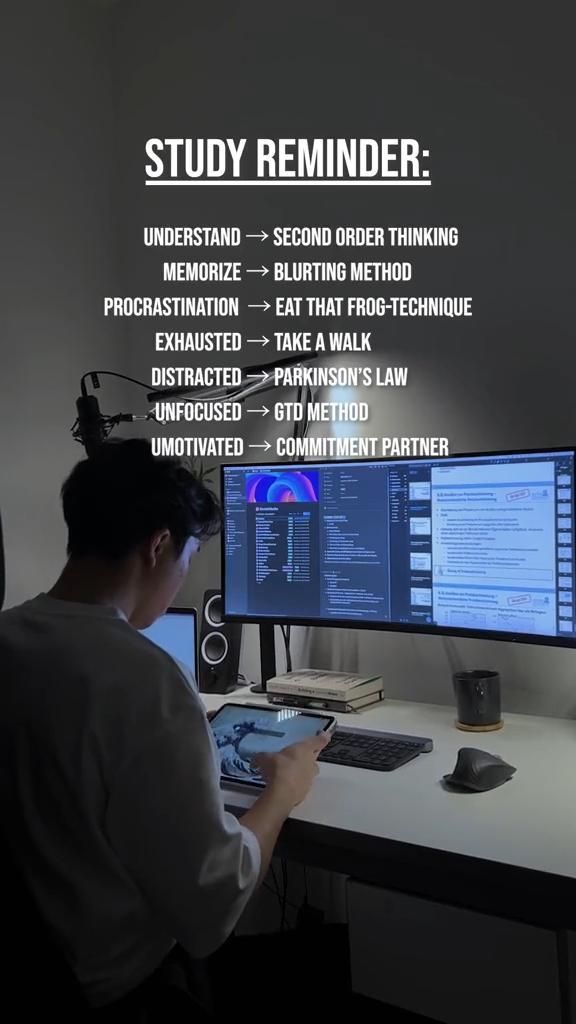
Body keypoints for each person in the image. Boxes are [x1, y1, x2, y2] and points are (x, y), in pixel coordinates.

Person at [0, 439, 328, 1019]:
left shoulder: (11, 636)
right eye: (188, 558)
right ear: (158, 546)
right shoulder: (146, 680)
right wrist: (284, 791)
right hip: (113, 986)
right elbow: (211, 908)